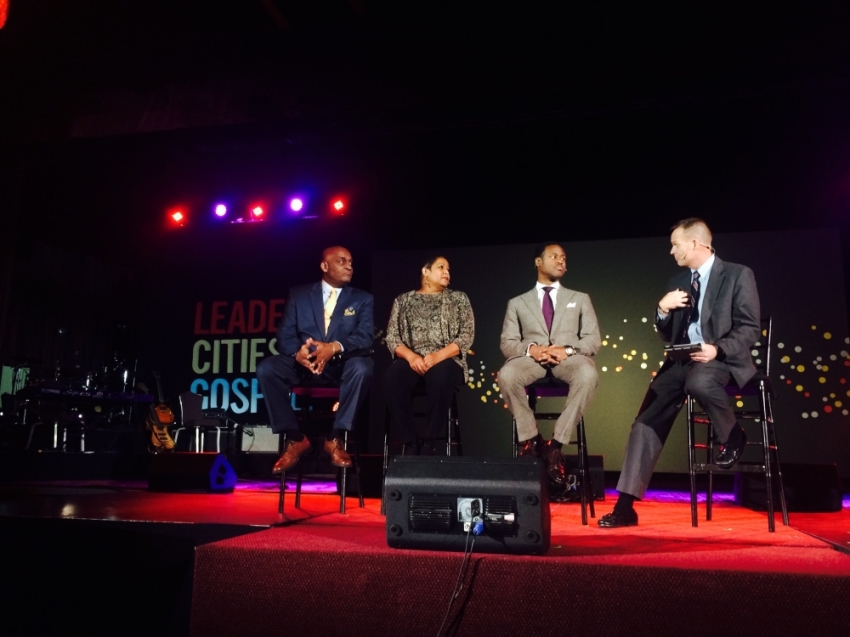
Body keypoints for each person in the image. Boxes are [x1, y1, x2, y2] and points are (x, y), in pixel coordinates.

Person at [599, 218, 759, 528]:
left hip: (719, 357)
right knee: (645, 421)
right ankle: (625, 506)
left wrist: (718, 349)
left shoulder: (738, 275)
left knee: (699, 381)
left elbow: (749, 327)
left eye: (676, 244)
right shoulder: (679, 281)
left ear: (696, 243)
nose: (672, 251)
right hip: (681, 359)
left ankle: (732, 434)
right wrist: (662, 309)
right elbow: (666, 333)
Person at [256, 246, 374, 474]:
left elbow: (365, 335)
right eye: (342, 261)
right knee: (267, 369)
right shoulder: (299, 295)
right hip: (305, 365)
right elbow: (285, 335)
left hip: (340, 365)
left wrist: (333, 347)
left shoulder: (362, 299)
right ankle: (295, 438)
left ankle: (336, 437)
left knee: (362, 367)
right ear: (324, 266)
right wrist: (297, 353)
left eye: (351, 261)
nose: (349, 265)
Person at [498, 243, 601, 485]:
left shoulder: (580, 298)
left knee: (587, 374)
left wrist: (566, 350)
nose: (561, 261)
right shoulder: (517, 302)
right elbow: (507, 343)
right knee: (507, 374)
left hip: (568, 359)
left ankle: (555, 445)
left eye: (563, 258)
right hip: (532, 360)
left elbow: (593, 340)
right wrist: (531, 350)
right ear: (538, 262)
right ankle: (531, 440)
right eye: (554, 256)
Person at [383, 256, 474, 454]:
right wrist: (412, 357)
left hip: (447, 360)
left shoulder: (458, 298)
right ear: (425, 271)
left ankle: (430, 442)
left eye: (448, 269)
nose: (446, 272)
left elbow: (466, 336)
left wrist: (437, 356)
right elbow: (392, 338)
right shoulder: (403, 300)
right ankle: (410, 441)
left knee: (441, 374)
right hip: (413, 360)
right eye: (441, 267)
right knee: (393, 376)